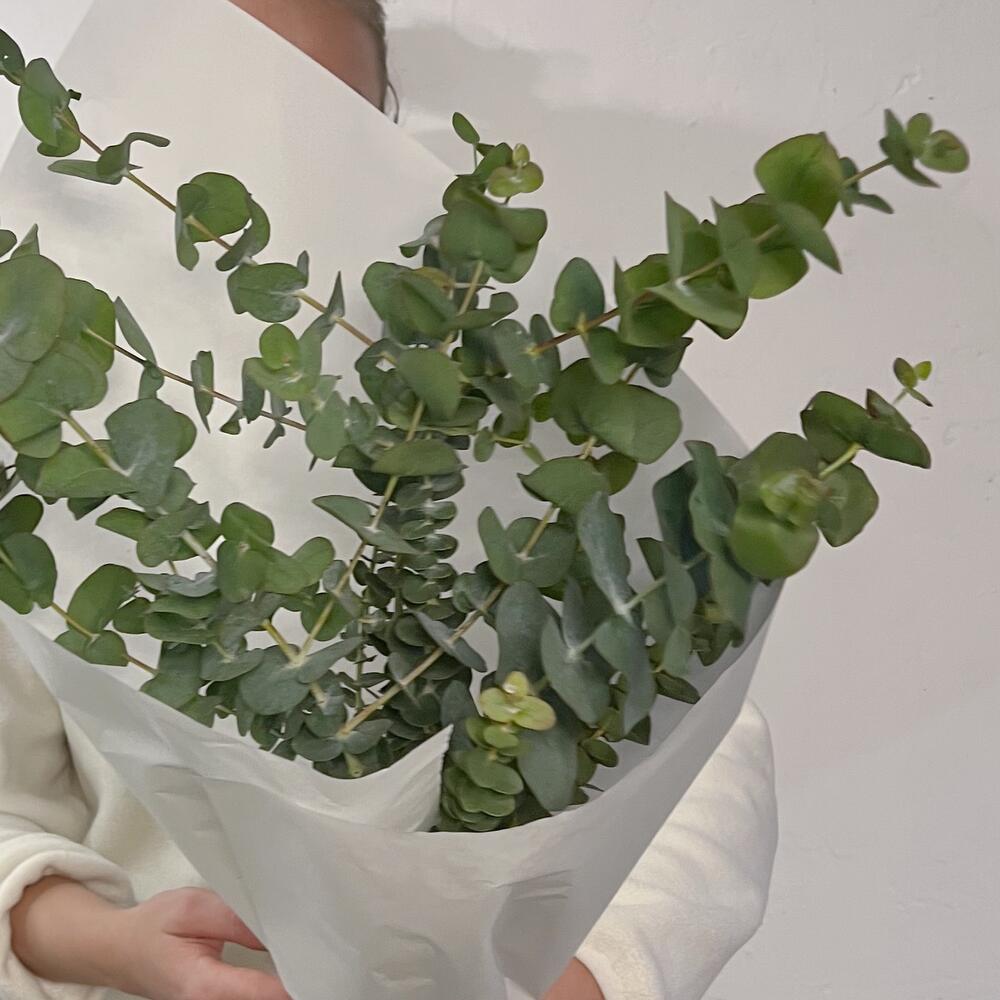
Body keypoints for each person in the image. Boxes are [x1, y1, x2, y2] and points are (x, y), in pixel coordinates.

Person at [1, 2, 779, 998]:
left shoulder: (495, 409)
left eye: (325, 118)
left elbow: (687, 731)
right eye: (220, 110)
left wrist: (588, 978)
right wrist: (122, 947)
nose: (268, 166)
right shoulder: (43, 427)